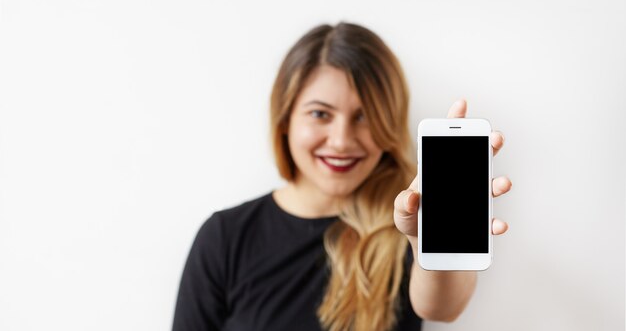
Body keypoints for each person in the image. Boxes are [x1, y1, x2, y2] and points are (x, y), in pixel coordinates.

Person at [172, 22, 512, 331]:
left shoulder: (408, 223)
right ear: (286, 118)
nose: (341, 141)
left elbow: (443, 308)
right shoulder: (225, 237)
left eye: (364, 117)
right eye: (320, 114)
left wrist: (429, 242)